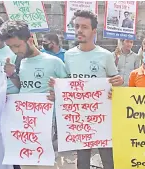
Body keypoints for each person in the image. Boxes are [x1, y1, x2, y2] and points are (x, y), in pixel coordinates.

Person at [47, 10, 123, 169]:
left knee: (108, 160)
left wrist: (118, 82)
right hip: (79, 118)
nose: (79, 30)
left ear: (94, 31)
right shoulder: (68, 55)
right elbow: (67, 83)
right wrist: (57, 91)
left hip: (102, 118)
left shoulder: (106, 55)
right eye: (76, 26)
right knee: (82, 161)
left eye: (84, 27)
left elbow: (116, 82)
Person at [0, 20, 68, 169]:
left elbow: (69, 90)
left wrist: (57, 91)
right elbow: (22, 86)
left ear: (30, 38)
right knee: (25, 163)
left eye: (17, 45)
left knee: (44, 164)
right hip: (23, 122)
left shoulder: (54, 62)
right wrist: (11, 75)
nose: (15, 50)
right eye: (10, 47)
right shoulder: (19, 61)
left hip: (46, 123)